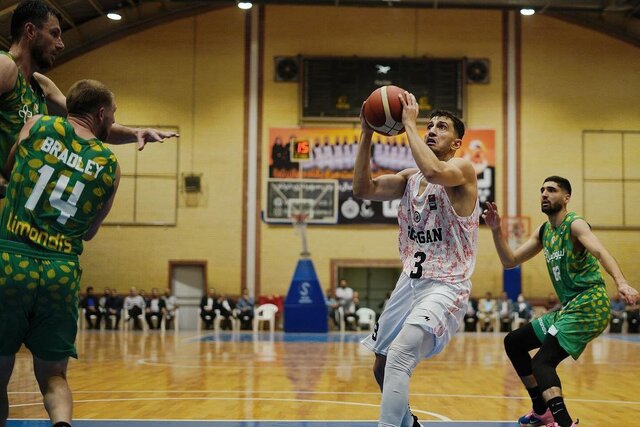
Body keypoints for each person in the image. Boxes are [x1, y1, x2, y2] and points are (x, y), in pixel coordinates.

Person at [354, 91, 480, 427]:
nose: (432, 129)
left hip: (446, 285)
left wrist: (408, 124)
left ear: (456, 143)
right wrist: (366, 132)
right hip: (408, 283)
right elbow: (362, 189)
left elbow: (436, 171)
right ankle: (410, 424)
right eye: (430, 125)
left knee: (399, 357)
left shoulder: (461, 169)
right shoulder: (411, 179)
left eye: (442, 127)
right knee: (381, 364)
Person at [0, 78, 121, 427]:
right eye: (113, 115)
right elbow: (91, 231)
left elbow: (8, 168)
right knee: (55, 377)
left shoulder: (38, 125)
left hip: (11, 260)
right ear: (100, 114)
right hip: (60, 271)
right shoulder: (109, 165)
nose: (112, 122)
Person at [482, 175, 639, 427]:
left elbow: (600, 252)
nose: (544, 194)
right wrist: (495, 230)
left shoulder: (575, 225)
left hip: (589, 304)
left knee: (542, 362)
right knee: (514, 342)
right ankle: (540, 410)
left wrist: (621, 282)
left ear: (566, 198)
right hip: (569, 308)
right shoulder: (544, 231)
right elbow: (509, 261)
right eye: (542, 189)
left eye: (552, 190)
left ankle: (565, 424)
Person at [0, 0, 177, 185]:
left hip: (15, 197)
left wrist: (136, 133)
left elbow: (90, 122)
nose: (61, 45)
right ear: (30, 31)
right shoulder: (5, 66)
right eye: (54, 34)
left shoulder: (41, 85)